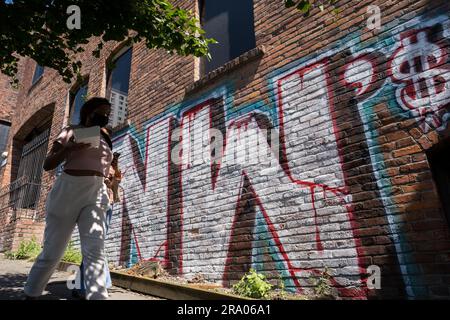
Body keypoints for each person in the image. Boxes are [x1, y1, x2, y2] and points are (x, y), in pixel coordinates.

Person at [23, 97, 113, 300]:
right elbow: (48, 164)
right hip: (69, 188)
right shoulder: (70, 130)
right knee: (53, 251)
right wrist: (69, 149)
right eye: (102, 112)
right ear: (89, 112)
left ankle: (98, 296)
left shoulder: (106, 136)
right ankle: (31, 292)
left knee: (95, 250)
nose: (106, 117)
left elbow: (103, 165)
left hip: (97, 191)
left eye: (108, 114)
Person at [73, 152, 122, 299]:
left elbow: (115, 190)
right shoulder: (95, 166)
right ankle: (83, 287)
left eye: (115, 159)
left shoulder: (114, 171)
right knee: (94, 247)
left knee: (97, 246)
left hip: (108, 207)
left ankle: (89, 285)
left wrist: (113, 181)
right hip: (95, 206)